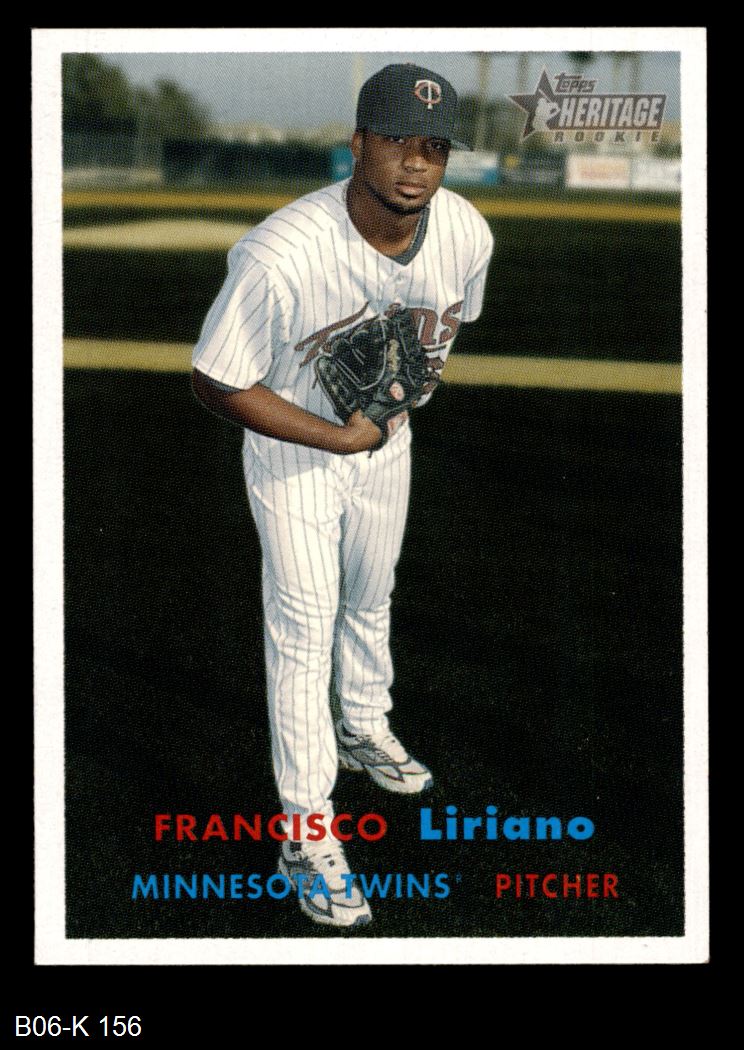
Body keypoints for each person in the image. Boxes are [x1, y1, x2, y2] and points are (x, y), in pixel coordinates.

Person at [191, 63, 493, 928]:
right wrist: (334, 436)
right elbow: (216, 379)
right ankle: (305, 831)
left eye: (433, 146)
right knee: (304, 626)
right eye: (396, 141)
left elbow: (451, 327)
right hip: (295, 453)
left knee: (372, 594)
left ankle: (361, 724)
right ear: (358, 144)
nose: (415, 162)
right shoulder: (280, 252)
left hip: (386, 445)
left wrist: (380, 420)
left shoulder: (467, 233)